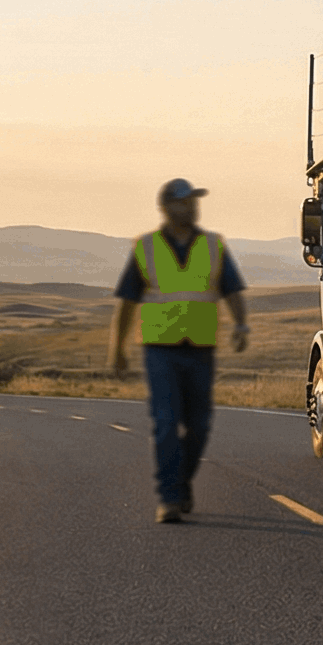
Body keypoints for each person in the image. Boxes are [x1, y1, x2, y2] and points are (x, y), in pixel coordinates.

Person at [109, 178, 249, 523]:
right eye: (185, 201)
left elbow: (231, 289)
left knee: (200, 425)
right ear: (167, 207)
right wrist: (117, 349)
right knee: (167, 422)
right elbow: (126, 303)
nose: (192, 207)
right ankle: (169, 497)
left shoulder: (214, 246)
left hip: (201, 348)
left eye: (194, 201)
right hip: (160, 349)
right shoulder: (145, 247)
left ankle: (181, 482)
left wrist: (241, 324)